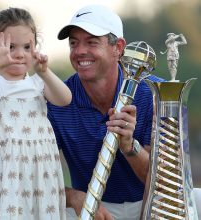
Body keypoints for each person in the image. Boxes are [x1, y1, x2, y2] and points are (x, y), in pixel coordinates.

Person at [47, 5, 163, 220]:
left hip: (150, 202)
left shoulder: (155, 94)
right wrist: (73, 197)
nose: (79, 51)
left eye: (91, 42)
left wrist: (129, 147)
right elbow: (38, 176)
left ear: (118, 47)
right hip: (92, 206)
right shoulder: (56, 100)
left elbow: (164, 181)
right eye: (74, 43)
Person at [0, 7, 71, 220]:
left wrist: (46, 72)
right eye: (10, 47)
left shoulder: (37, 83)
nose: (19, 54)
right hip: (3, 171)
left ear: (35, 48)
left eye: (26, 47)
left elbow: (65, 98)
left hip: (38, 170)